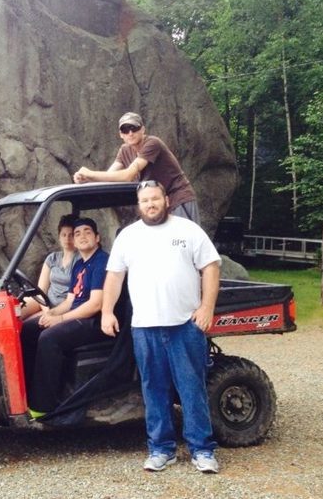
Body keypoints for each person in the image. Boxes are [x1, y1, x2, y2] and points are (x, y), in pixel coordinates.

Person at [101, 180, 221, 474]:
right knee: (154, 390)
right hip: (144, 328)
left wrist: (206, 308)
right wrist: (107, 312)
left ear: (166, 200)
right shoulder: (128, 237)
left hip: (184, 326)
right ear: (138, 205)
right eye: (145, 201)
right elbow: (114, 277)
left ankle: (202, 450)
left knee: (192, 389)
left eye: (155, 198)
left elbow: (211, 267)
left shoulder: (188, 230)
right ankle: (161, 449)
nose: (151, 204)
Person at [20, 217, 110, 416]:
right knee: (27, 330)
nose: (81, 236)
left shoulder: (101, 261)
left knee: (49, 337)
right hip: (78, 315)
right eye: (77, 234)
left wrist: (60, 320)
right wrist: (52, 313)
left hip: (94, 321)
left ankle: (43, 406)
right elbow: (69, 300)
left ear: (97, 238)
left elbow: (95, 304)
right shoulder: (80, 266)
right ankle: (26, 391)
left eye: (87, 232)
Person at [72, 112, 200, 224]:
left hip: (177, 198)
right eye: (125, 130)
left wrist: (90, 173)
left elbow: (128, 175)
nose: (130, 133)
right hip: (156, 203)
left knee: (185, 242)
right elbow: (109, 176)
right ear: (121, 135)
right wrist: (86, 179)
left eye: (134, 128)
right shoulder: (124, 150)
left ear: (143, 129)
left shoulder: (152, 143)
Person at [21, 214, 78, 319]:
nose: (67, 239)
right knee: (16, 310)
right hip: (45, 303)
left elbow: (74, 297)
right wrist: (46, 310)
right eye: (63, 235)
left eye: (71, 235)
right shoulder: (52, 258)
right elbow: (41, 291)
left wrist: (50, 314)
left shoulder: (80, 260)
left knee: (28, 324)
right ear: (59, 237)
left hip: (64, 307)